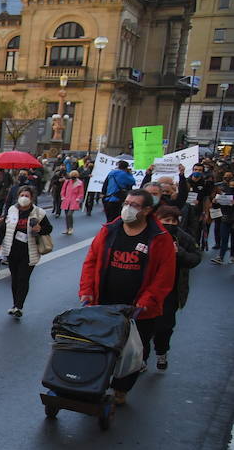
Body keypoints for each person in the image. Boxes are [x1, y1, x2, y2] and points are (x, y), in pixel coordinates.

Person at [78, 189, 176, 405]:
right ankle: (95, 383)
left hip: (139, 309)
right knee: (99, 346)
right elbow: (91, 261)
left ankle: (121, 389)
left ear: (148, 210)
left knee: (131, 352)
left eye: (135, 205)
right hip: (104, 302)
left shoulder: (160, 239)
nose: (128, 208)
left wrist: (147, 301)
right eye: (127, 203)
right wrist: (86, 289)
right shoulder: (110, 230)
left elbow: (164, 276)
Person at [151, 205, 200, 371]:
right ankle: (140, 358)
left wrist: (179, 252)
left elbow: (195, 258)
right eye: (166, 220)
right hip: (147, 288)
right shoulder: (149, 234)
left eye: (173, 221)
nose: (170, 223)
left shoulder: (183, 238)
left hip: (171, 290)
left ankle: (161, 352)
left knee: (164, 326)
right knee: (142, 328)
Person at [0, 185, 52, 318]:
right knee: (14, 279)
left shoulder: (39, 213)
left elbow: (48, 228)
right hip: (12, 250)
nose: (24, 198)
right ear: (18, 197)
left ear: (32, 199)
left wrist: (39, 229)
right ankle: (14, 304)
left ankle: (19, 306)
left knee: (23, 278)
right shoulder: (11, 210)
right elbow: (2, 229)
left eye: (27, 196)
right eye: (22, 195)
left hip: (29, 251)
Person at [211, 173, 234, 264]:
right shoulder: (225, 193)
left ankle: (232, 256)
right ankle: (221, 256)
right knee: (224, 238)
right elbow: (218, 205)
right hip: (225, 218)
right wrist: (215, 202)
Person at [59, 170, 86, 235]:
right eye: (72, 177)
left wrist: (78, 198)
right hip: (66, 200)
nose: (73, 178)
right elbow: (63, 190)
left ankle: (71, 228)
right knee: (66, 215)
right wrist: (62, 196)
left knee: (69, 214)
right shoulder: (67, 182)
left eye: (74, 177)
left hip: (74, 200)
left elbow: (81, 192)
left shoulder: (80, 183)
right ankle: (67, 229)